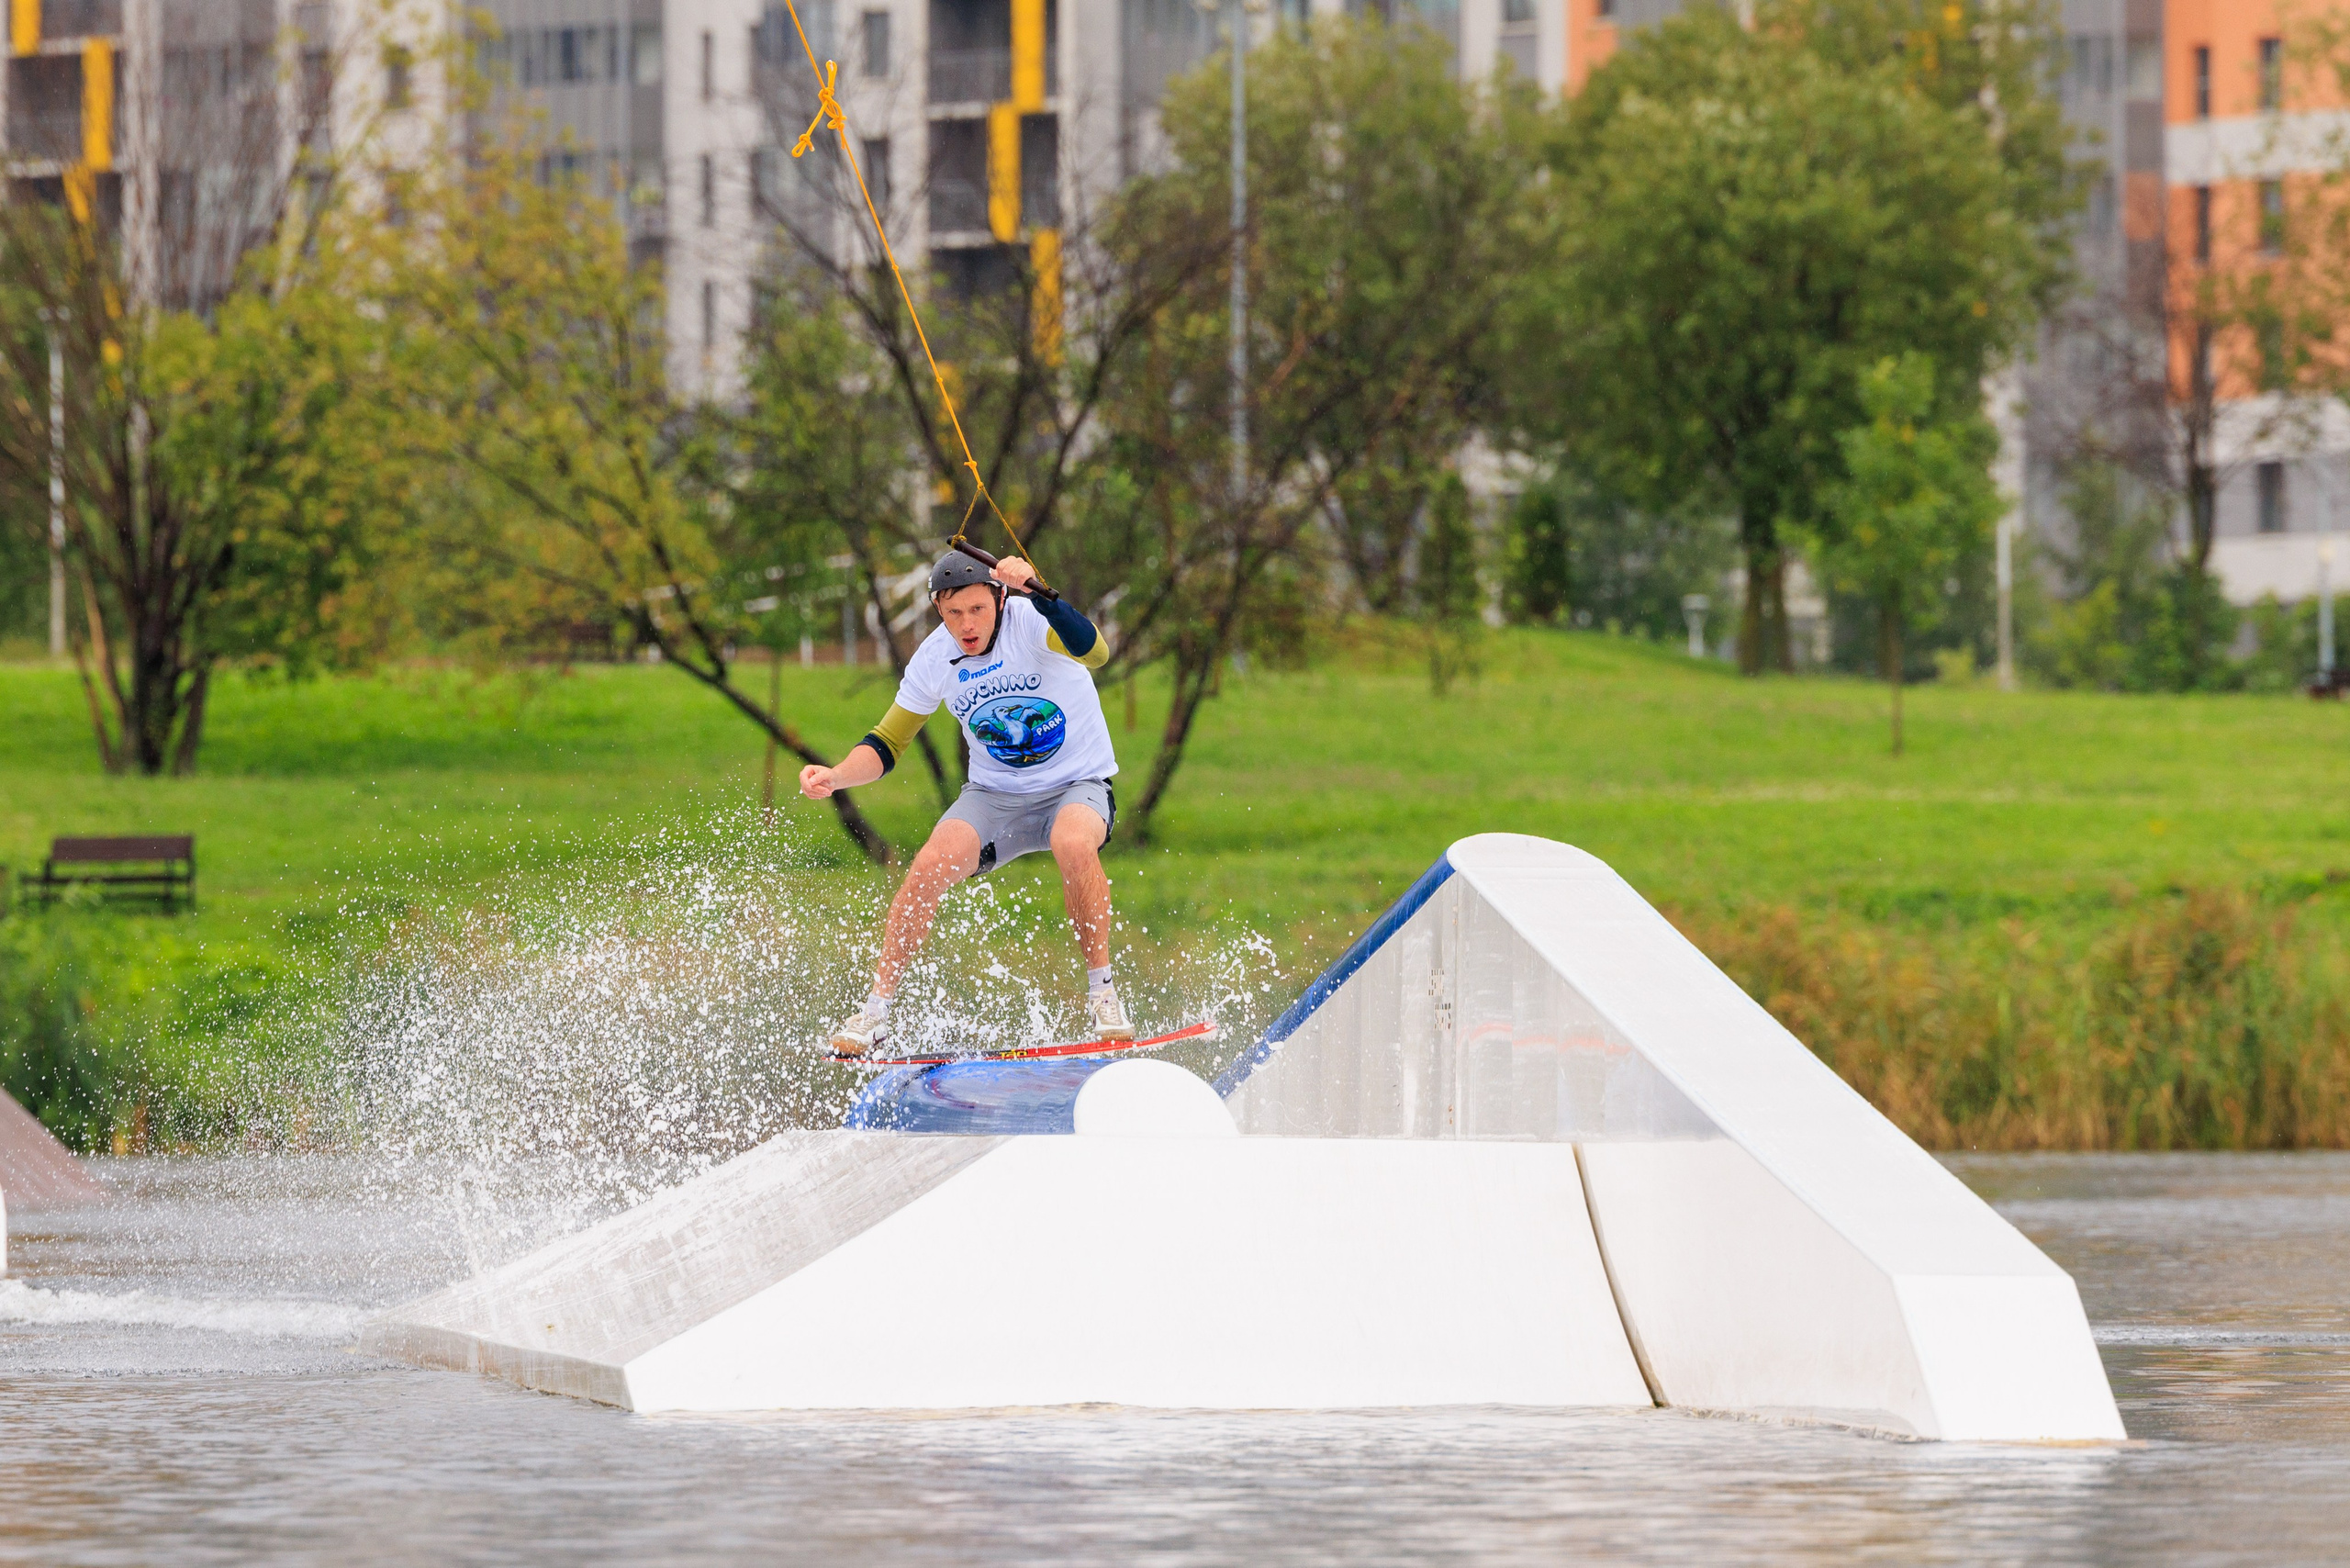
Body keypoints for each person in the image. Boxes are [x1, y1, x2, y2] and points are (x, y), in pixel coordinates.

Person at [801, 549, 1131, 1055]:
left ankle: (1102, 993)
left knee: (1072, 842)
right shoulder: (936, 657)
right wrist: (837, 775)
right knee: (928, 865)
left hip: (1076, 784)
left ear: (999, 598)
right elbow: (887, 744)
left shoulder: (1031, 620)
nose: (967, 625)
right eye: (954, 613)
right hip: (995, 795)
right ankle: (875, 1013)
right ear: (938, 609)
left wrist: (1044, 595)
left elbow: (1096, 653)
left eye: (977, 609)